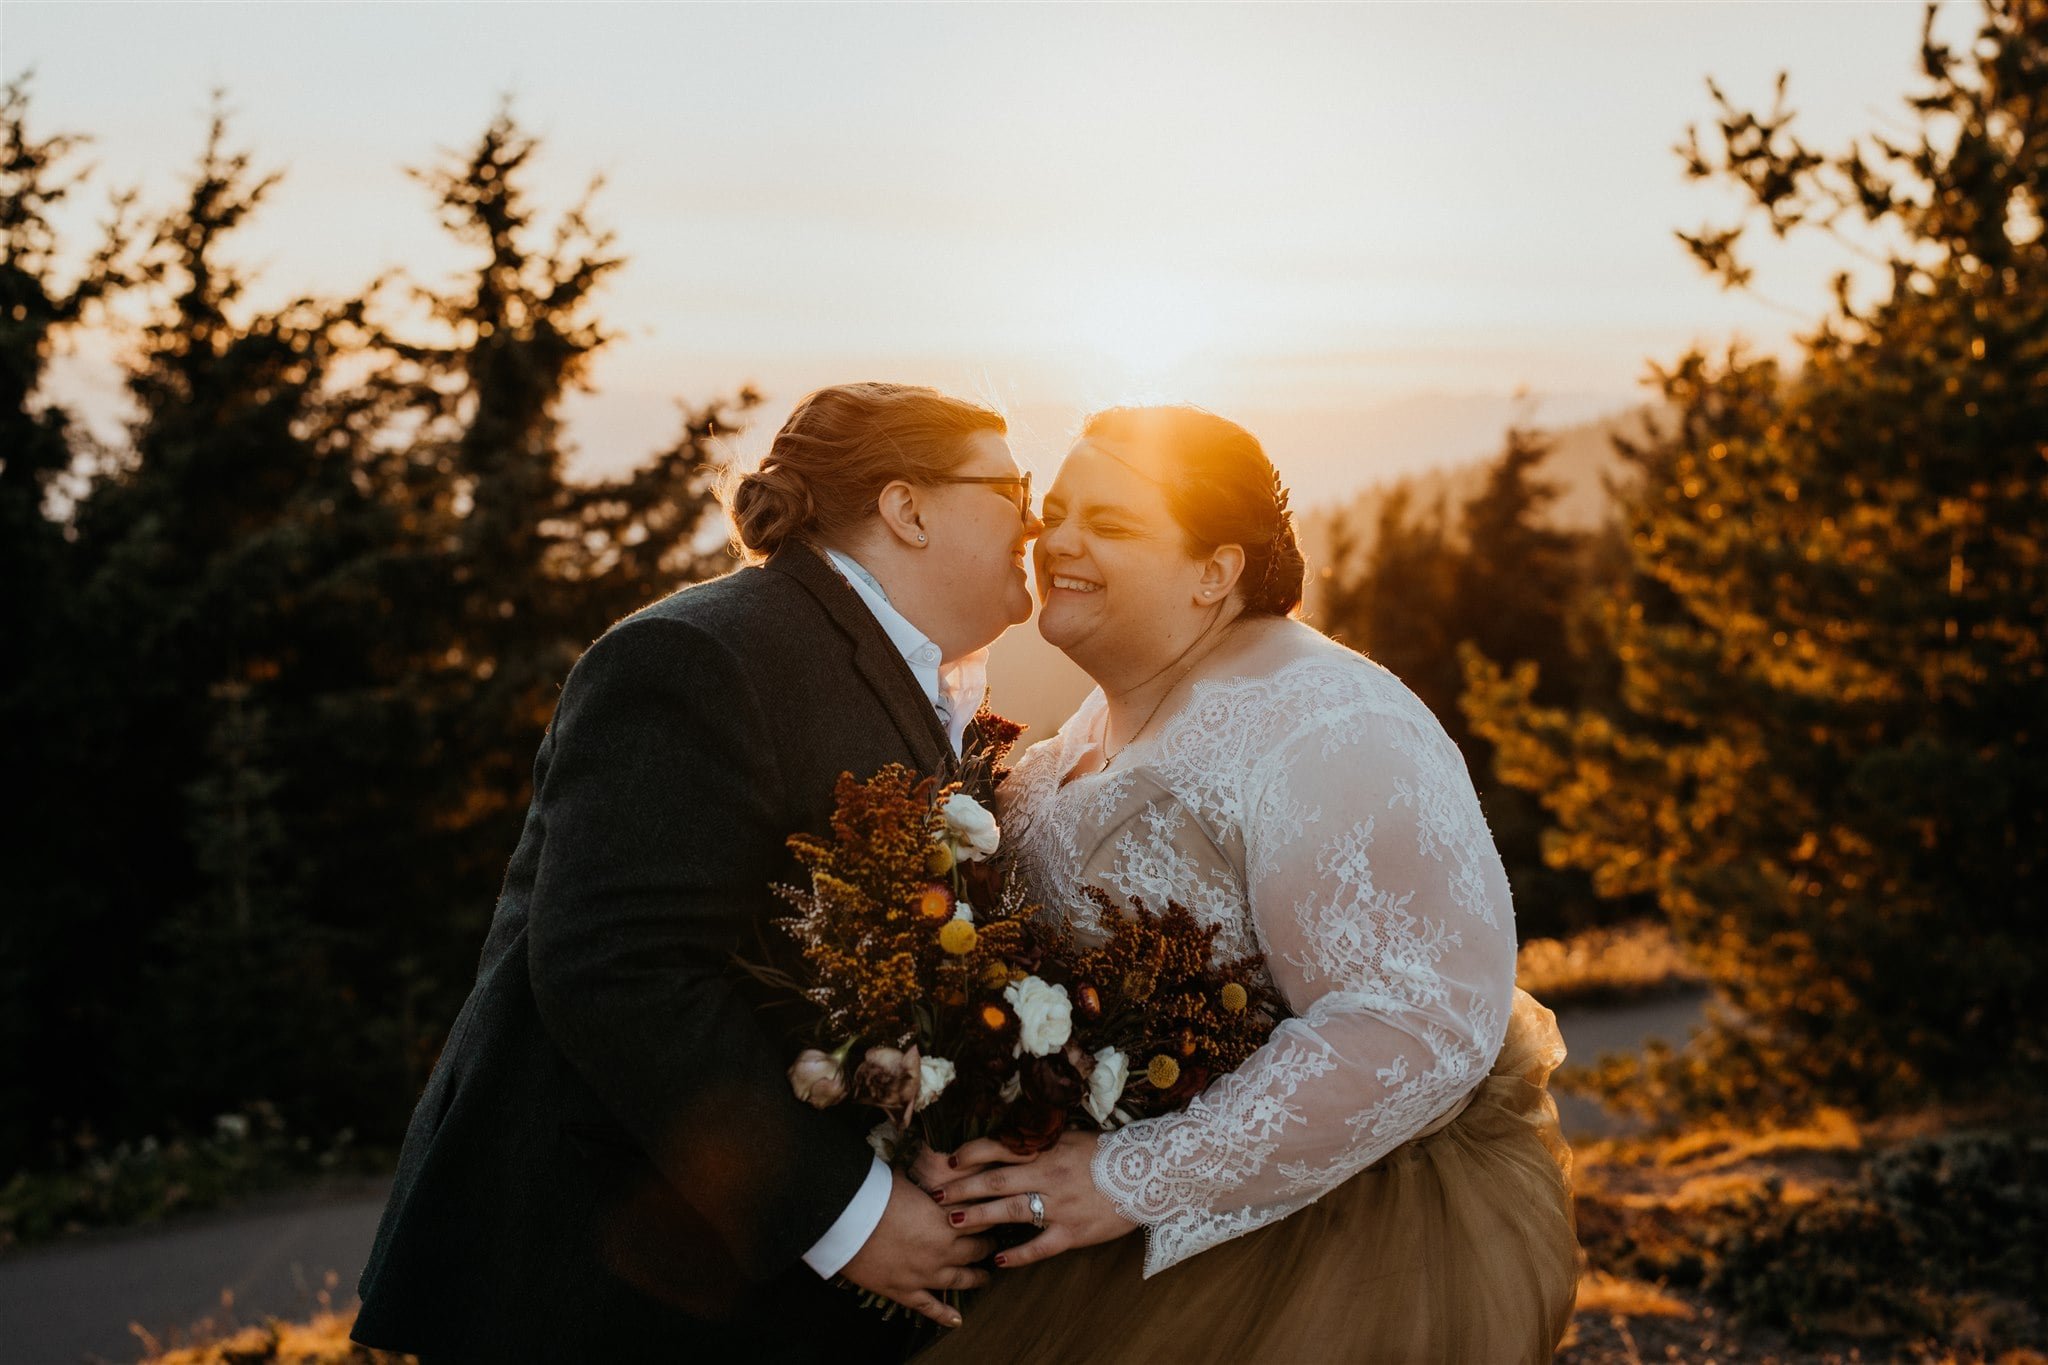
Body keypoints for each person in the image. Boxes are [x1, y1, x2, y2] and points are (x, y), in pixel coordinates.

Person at [353, 382, 1043, 1364]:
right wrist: (844, 1215)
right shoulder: (700, 656)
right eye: (1014, 489)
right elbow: (616, 972)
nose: (1036, 519)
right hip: (600, 1292)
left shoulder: (908, 681)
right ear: (907, 507)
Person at [915, 406, 1579, 1365]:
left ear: (1215, 572)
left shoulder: (1332, 724)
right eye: (1055, 512)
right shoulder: (1109, 709)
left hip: (1320, 1250)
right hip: (1096, 1196)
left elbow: (1415, 1020)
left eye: (1111, 523)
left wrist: (1129, 1177)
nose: (1058, 539)